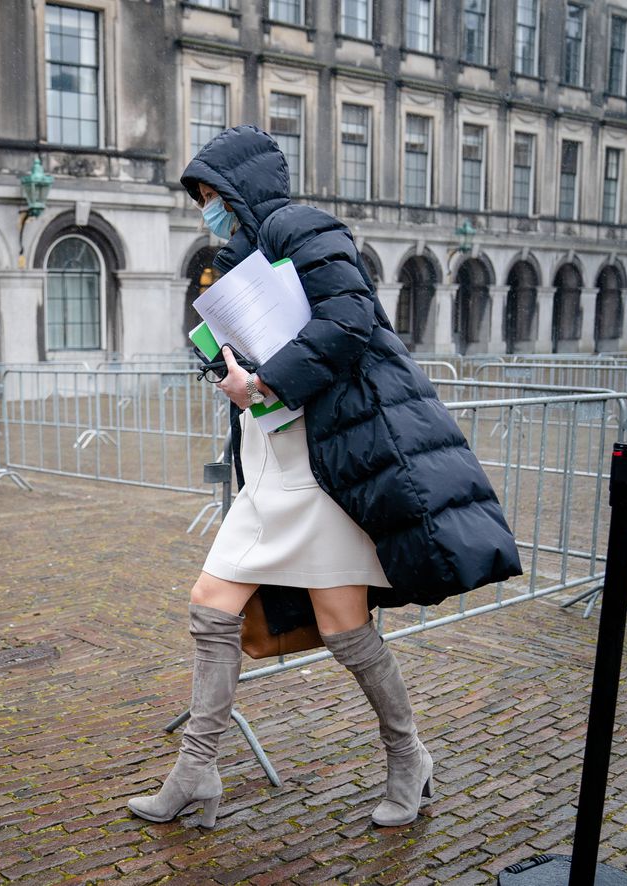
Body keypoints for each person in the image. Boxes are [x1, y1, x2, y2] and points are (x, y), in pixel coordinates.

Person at [128, 126, 522, 829]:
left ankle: (409, 757)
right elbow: (243, 339)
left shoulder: (305, 228)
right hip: (272, 463)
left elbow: (350, 320)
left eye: (212, 195)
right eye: (201, 199)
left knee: (344, 628)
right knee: (210, 608)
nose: (205, 210)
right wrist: (224, 368)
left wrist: (269, 380)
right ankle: (197, 772)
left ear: (241, 191)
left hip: (323, 465)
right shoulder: (236, 256)